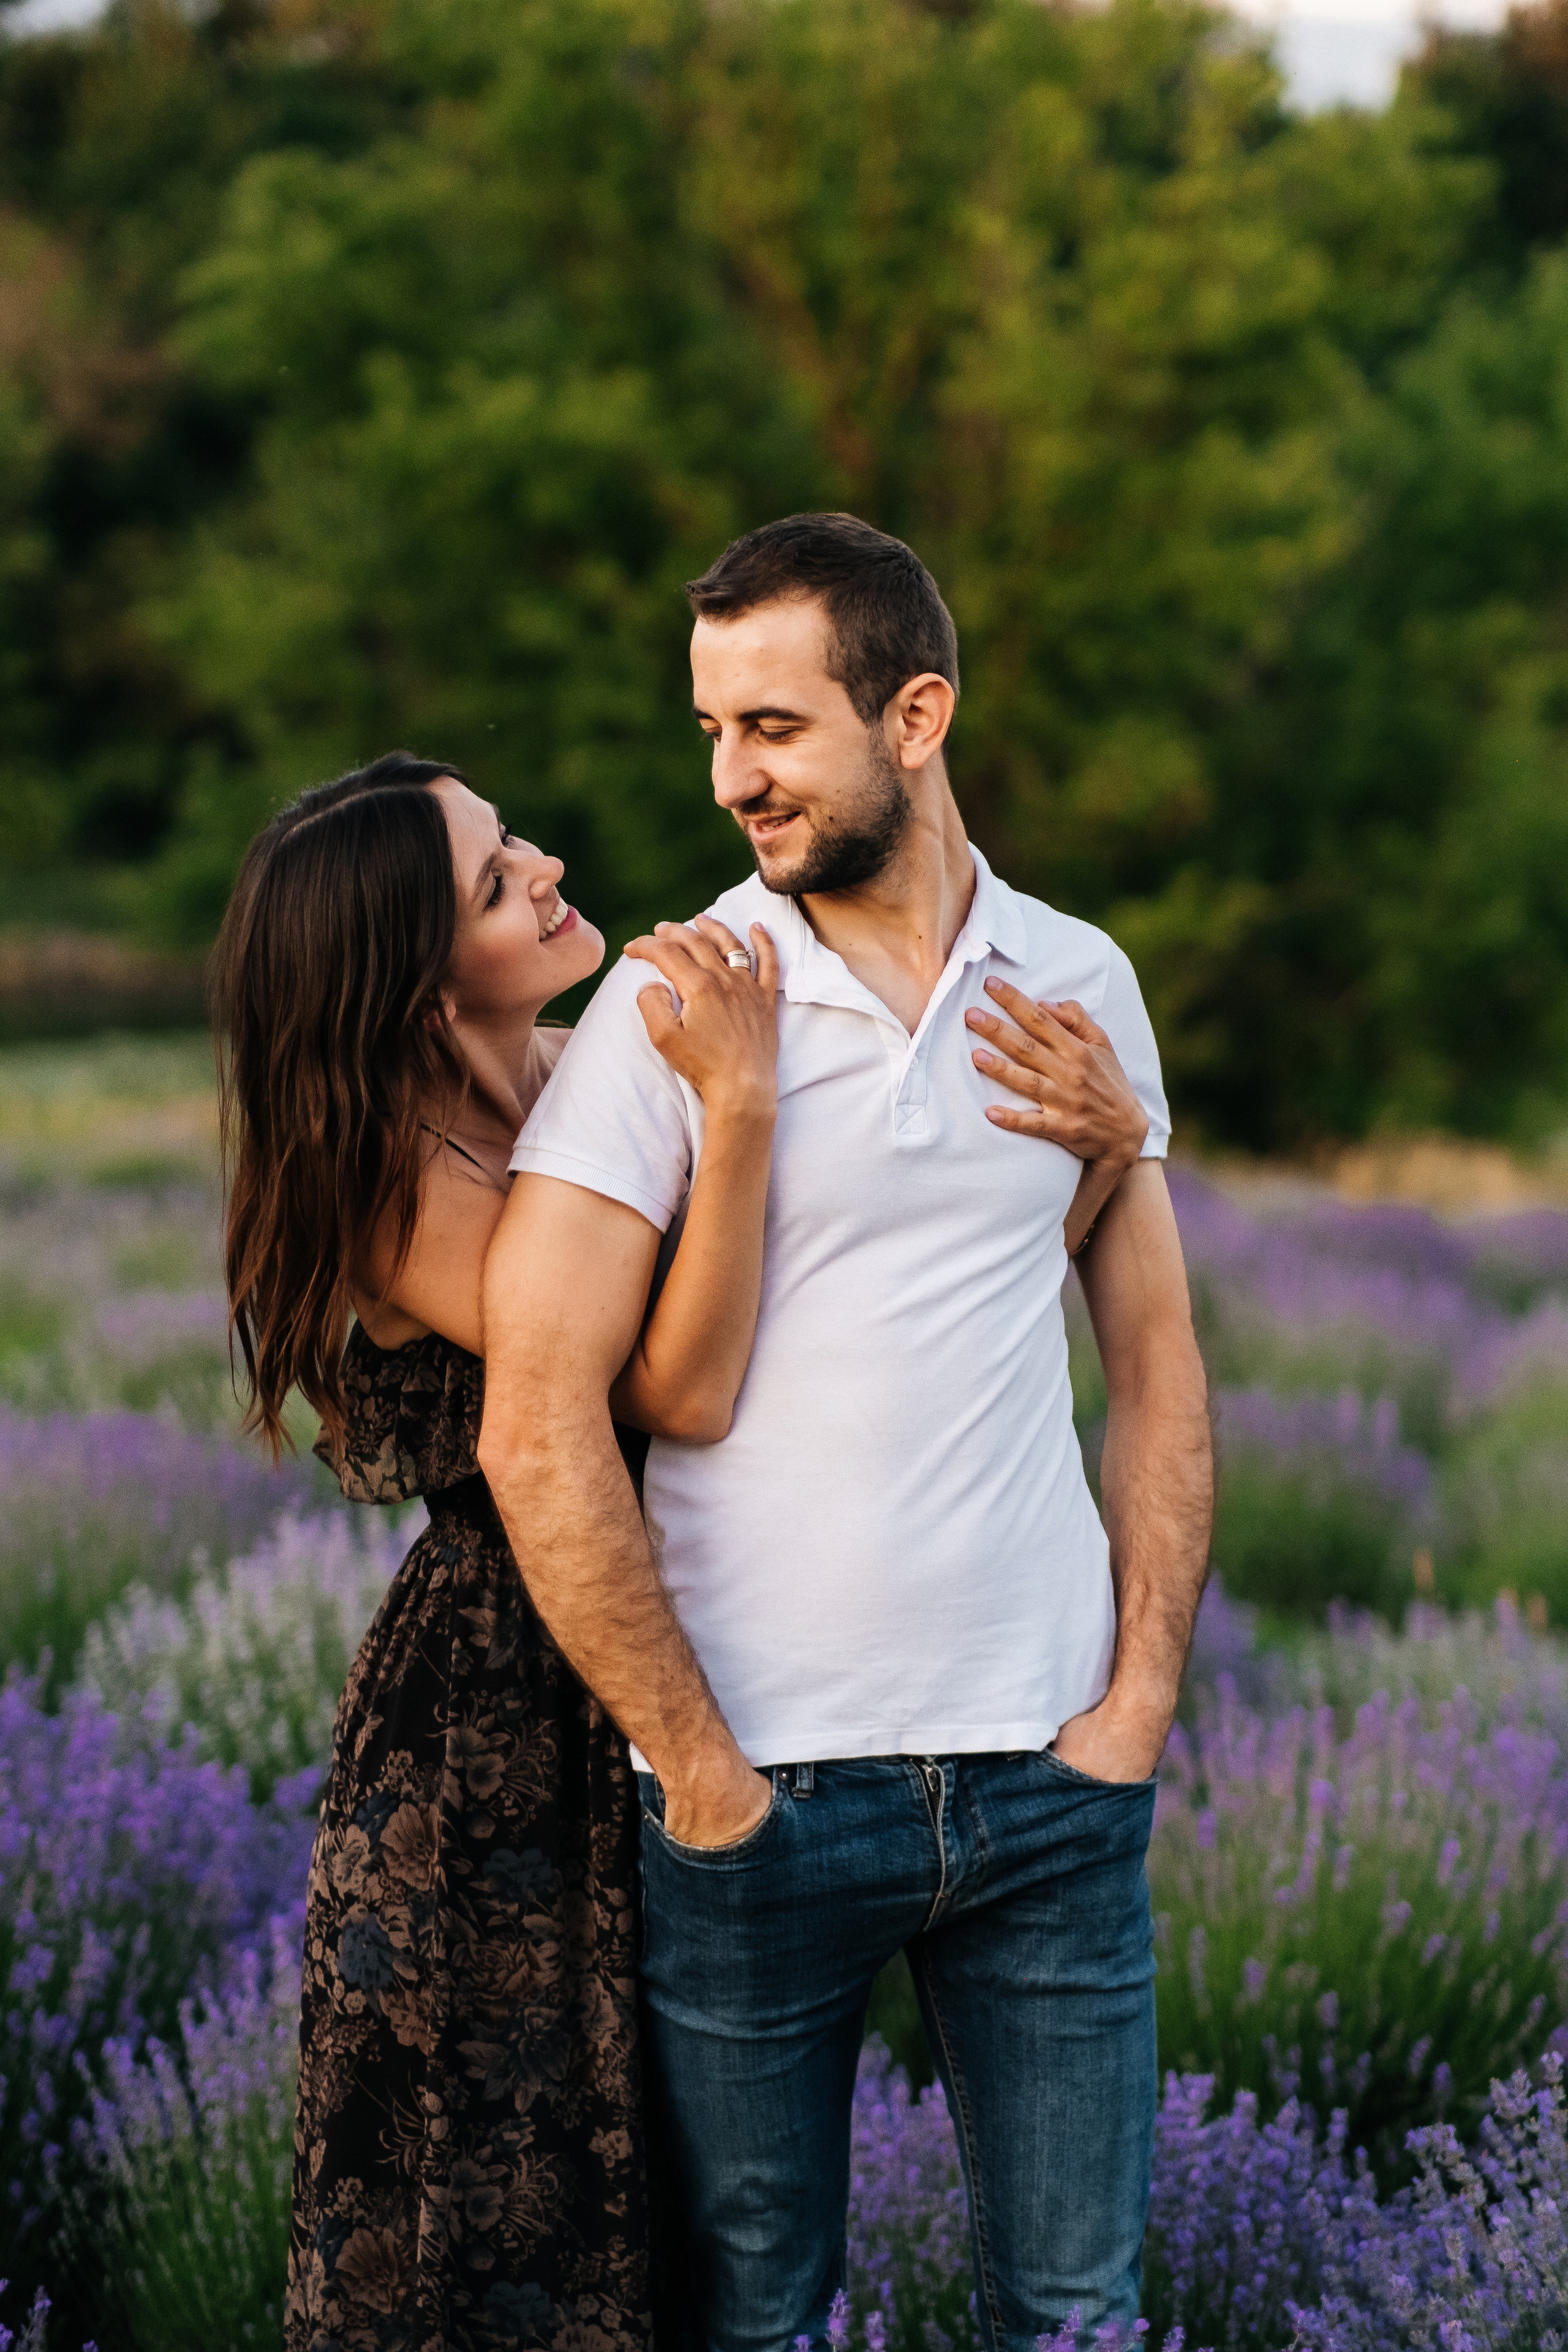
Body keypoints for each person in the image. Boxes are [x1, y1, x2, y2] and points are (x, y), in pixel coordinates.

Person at [477, 515, 1213, 2351]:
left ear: (916, 715)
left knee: (1080, 2316)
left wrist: (1134, 1706)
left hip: (1051, 1781)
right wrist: (700, 1775)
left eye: (776, 729)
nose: (733, 778)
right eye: (715, 731)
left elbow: (1157, 1367)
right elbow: (538, 1425)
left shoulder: (1078, 987)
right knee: (759, 2327)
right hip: (763, 1798)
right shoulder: (676, 1004)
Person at [212, 753, 783, 2352]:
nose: (541, 867)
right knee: (489, 2221)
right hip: (487, 1737)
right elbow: (672, 1383)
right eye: (489, 879)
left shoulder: (573, 1088)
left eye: (511, 837)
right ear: (412, 981)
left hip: (640, 1672)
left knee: (669, 2202)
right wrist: (733, 1113)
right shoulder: (396, 1183)